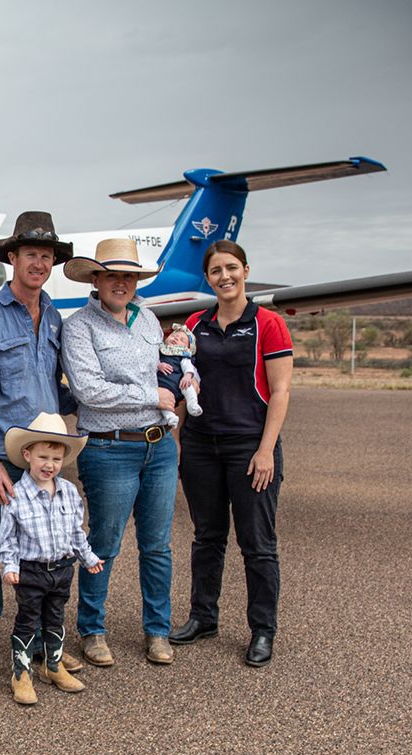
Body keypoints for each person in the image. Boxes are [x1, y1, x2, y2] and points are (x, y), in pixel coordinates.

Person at [0, 211, 79, 688]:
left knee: (48, 555)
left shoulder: (53, 317)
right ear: (13, 257)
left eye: (47, 256)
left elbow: (59, 385)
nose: (39, 263)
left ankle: (49, 649)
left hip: (44, 456)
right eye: (31, 254)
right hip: (2, 456)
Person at [168, 240, 293, 668]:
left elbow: (280, 392)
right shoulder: (195, 324)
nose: (225, 276)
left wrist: (265, 451)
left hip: (249, 446)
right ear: (208, 278)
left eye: (232, 268)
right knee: (207, 537)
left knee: (257, 544)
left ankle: (262, 630)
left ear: (245, 270)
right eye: (217, 270)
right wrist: (179, 439)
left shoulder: (268, 323)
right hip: (202, 444)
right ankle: (203, 617)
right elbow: (185, 384)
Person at [60, 238, 180, 667]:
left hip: (160, 448)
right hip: (110, 449)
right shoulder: (78, 327)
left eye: (129, 276)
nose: (122, 283)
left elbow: (165, 369)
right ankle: (92, 630)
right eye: (113, 275)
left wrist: (177, 387)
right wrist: (153, 397)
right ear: (96, 279)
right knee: (104, 544)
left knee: (157, 546)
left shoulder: (148, 318)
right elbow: (90, 392)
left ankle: (157, 631)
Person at [0, 413, 103, 705]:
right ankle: (21, 674)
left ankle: (52, 666)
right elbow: (8, 538)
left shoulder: (69, 492)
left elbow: (76, 533)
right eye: (43, 457)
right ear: (27, 454)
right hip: (30, 571)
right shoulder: (16, 496)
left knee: (55, 618)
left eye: (56, 460)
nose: (49, 465)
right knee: (28, 620)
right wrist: (10, 566)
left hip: (62, 570)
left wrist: (88, 556)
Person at [157, 324, 202, 428]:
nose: (176, 338)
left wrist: (188, 376)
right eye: (174, 336)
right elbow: (151, 362)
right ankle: (170, 417)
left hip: (180, 383)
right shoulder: (160, 351)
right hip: (162, 384)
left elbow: (188, 367)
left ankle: (192, 404)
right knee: (162, 400)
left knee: (189, 387)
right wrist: (159, 365)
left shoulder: (182, 355)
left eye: (182, 340)